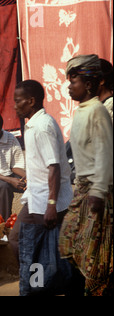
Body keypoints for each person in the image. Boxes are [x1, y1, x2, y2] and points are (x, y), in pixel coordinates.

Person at [9, 80, 75, 296]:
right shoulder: (35, 125)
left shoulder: (42, 126)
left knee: (21, 241)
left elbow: (54, 166)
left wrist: (51, 205)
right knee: (39, 245)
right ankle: (43, 283)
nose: (15, 106)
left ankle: (40, 285)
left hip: (46, 200)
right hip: (39, 198)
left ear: (31, 101)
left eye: (18, 101)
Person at [59, 54, 113, 296]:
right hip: (82, 190)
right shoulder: (81, 111)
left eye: (74, 82)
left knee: (94, 257)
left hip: (96, 192)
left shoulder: (98, 111)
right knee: (67, 244)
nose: (69, 87)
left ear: (89, 84)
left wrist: (98, 192)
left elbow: (105, 153)